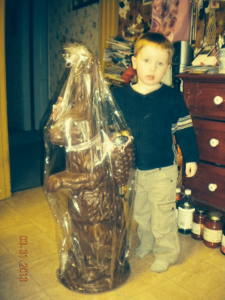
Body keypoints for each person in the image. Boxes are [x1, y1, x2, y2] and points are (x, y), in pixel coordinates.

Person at [111, 32, 199, 273]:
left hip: (162, 168)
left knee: (162, 214)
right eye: (147, 60)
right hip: (135, 168)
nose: (153, 68)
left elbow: (184, 128)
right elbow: (111, 126)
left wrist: (191, 157)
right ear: (134, 62)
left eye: (161, 63)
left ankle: (167, 251)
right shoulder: (120, 96)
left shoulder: (171, 97)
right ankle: (147, 240)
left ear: (168, 67)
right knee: (141, 210)